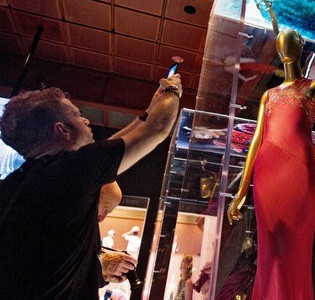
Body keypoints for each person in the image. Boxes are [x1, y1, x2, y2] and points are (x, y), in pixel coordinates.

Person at [0, 74, 182, 299]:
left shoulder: (18, 185)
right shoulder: (70, 172)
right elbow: (158, 128)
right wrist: (173, 90)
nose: (86, 121)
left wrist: (149, 111)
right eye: (78, 115)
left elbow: (109, 146)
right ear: (62, 130)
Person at [226, 7, 315, 299]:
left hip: (300, 171)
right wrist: (241, 190)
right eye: (281, 41)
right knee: (270, 251)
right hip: (267, 174)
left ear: (300, 46)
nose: (284, 43)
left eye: (291, 39)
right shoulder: (269, 95)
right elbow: (257, 139)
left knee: (296, 248)